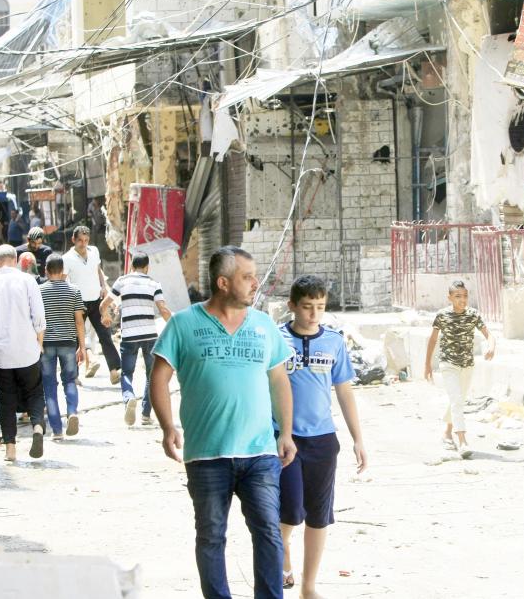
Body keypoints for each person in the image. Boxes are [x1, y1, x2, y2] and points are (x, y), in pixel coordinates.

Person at [150, 246, 297, 599]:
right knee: (211, 536)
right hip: (207, 454)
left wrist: (286, 432)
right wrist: (168, 427)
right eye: (247, 277)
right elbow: (159, 378)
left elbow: (279, 380)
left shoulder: (263, 325)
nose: (255, 283)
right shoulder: (183, 324)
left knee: (268, 533)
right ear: (223, 282)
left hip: (259, 452)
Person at [277, 275, 367, 596]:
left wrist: (358, 439)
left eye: (320, 306)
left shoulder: (333, 341)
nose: (314, 313)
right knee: (289, 511)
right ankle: (283, 549)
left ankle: (308, 585)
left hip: (322, 440)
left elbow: (344, 391)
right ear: (292, 306)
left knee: (318, 516)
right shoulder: (276, 340)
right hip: (284, 438)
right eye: (307, 306)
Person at [0, 244, 47, 461]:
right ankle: (37, 428)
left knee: (5, 398)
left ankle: (10, 450)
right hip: (27, 350)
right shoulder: (28, 281)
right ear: (15, 261)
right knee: (34, 392)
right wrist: (39, 343)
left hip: (1, 354)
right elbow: (39, 317)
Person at [424, 280, 495, 458]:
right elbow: (433, 340)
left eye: (465, 296)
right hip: (448, 364)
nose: (462, 300)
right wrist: (427, 365)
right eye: (457, 296)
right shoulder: (442, 315)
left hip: (467, 365)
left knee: (458, 401)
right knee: (456, 400)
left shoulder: (473, 314)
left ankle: (447, 433)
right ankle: (462, 441)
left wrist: (491, 346)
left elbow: (488, 334)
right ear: (449, 298)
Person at [100, 252, 172, 426]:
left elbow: (104, 304)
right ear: (147, 267)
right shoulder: (154, 283)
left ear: (132, 266)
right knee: (151, 375)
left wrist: (105, 316)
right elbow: (163, 309)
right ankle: (146, 415)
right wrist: (176, 327)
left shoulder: (122, 281)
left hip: (129, 336)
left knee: (126, 373)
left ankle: (129, 397)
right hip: (149, 336)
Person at [63, 225, 121, 384]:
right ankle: (73, 376)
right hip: (77, 303)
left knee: (105, 335)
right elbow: (63, 280)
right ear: (73, 240)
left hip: (96, 301)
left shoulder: (94, 251)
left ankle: (114, 370)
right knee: (75, 339)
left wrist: (103, 286)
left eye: (86, 240)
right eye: (80, 240)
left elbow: (98, 270)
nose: (83, 243)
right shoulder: (67, 258)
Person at [40, 254, 86, 440]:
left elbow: (36, 321)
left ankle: (57, 430)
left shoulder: (39, 291)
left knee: (49, 386)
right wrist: (82, 347)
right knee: (70, 380)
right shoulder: (74, 290)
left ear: (46, 271)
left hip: (46, 344)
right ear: (63, 271)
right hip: (68, 343)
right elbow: (79, 321)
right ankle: (72, 412)